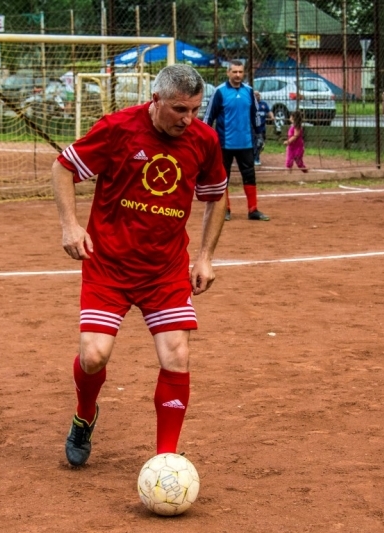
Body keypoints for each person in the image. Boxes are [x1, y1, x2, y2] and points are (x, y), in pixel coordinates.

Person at [52, 64, 228, 467]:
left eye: (195, 110)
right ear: (156, 100)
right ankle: (84, 415)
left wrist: (205, 256)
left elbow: (217, 195)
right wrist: (70, 225)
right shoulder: (118, 129)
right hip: (108, 265)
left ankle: (166, 459)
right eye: (180, 109)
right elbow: (63, 167)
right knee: (94, 356)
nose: (189, 119)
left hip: (164, 270)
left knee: (177, 355)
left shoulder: (204, 139)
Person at [204, 60, 270, 221]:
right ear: (228, 72)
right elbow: (208, 116)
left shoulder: (249, 91)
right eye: (234, 72)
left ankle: (253, 210)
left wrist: (259, 135)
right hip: (224, 144)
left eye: (240, 72)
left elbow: (255, 115)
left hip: (246, 143)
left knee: (250, 176)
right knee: (223, 178)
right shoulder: (219, 92)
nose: (238, 75)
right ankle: (225, 210)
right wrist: (205, 138)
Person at [253, 91, 275, 166]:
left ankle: (255, 156)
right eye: (255, 95)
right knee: (257, 143)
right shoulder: (251, 104)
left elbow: (269, 111)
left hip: (262, 128)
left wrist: (272, 116)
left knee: (261, 144)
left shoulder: (263, 104)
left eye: (258, 95)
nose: (257, 96)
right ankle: (256, 158)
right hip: (254, 128)